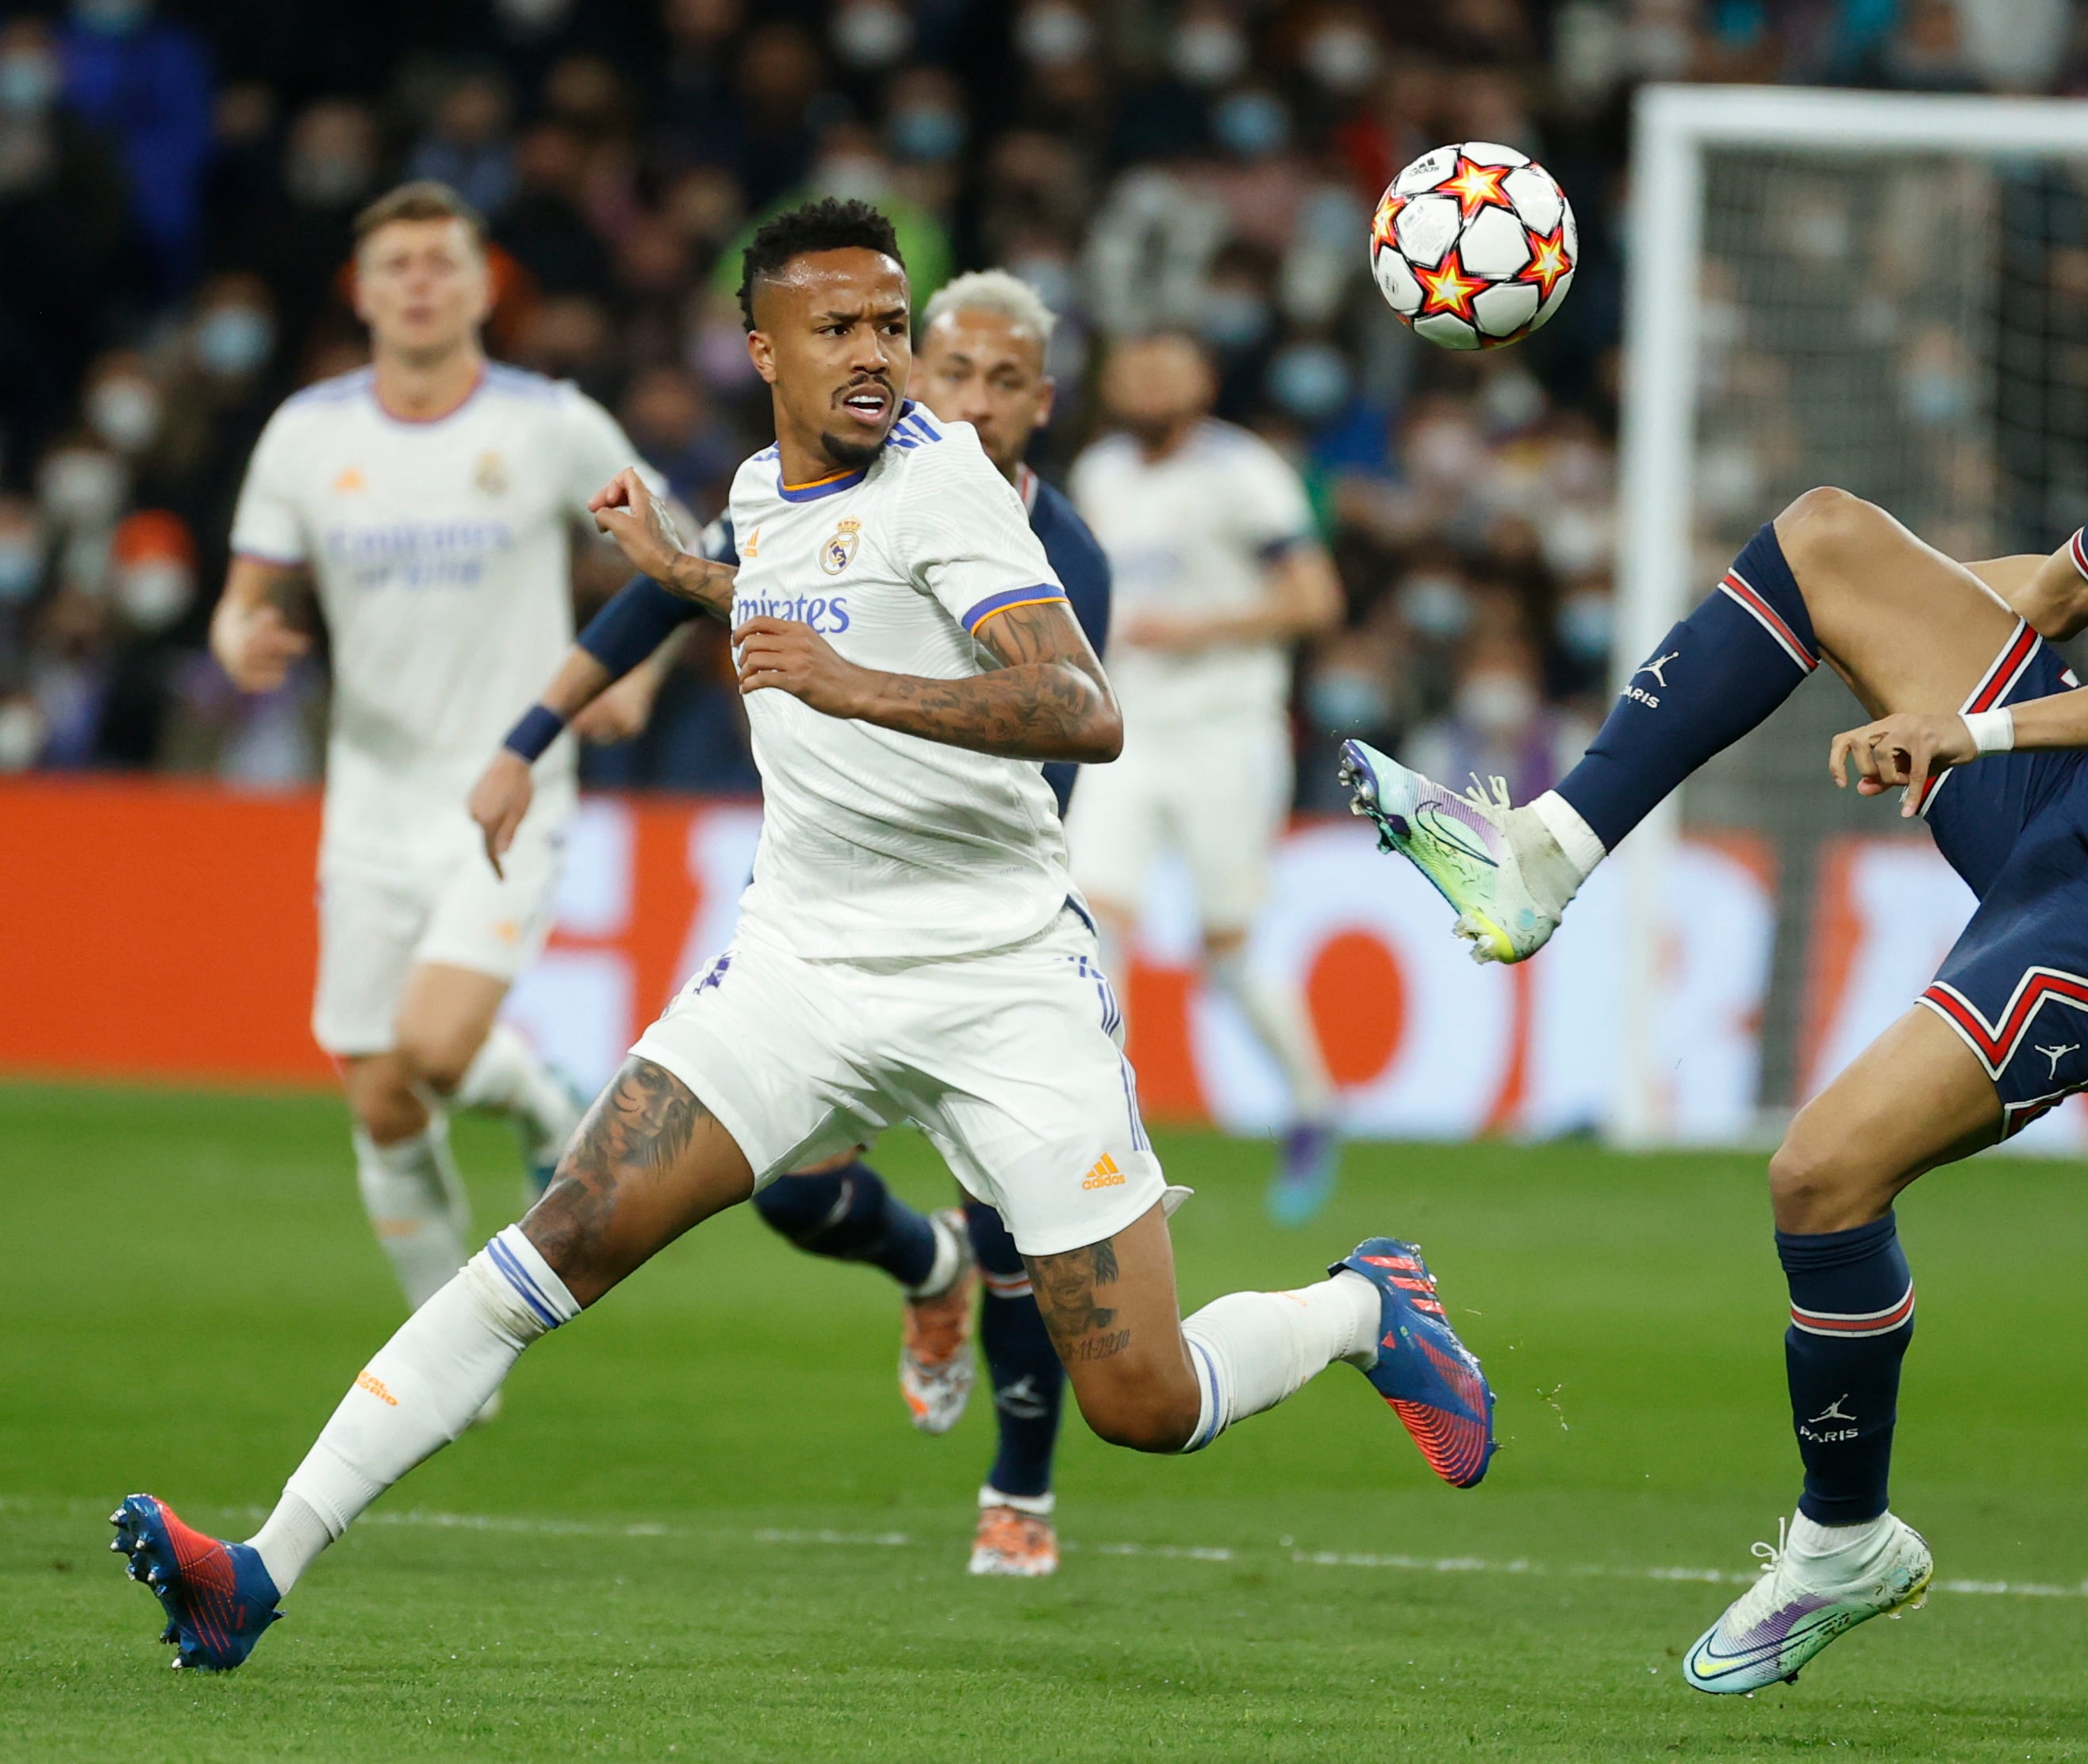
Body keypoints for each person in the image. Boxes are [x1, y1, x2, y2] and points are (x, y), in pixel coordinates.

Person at [116, 199, 1495, 1672]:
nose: (876, 356)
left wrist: (853, 685)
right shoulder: (759, 489)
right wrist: (690, 576)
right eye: (838, 328)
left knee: (1141, 1401)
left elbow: (1081, 707)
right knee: (562, 1235)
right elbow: (792, 578)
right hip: (801, 966)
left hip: (998, 980)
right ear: (757, 344)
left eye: (890, 327)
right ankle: (256, 1567)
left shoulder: (949, 487)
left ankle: (1364, 1304)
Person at [1344, 178, 2088, 1690]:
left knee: (1819, 1172)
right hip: (2082, 822)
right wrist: (1809, 637)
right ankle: (1543, 855)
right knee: (1824, 535)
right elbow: (2030, 591)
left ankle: (1843, 1539)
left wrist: (1970, 727)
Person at [463, 268, 1112, 1578]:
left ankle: (1018, 1491)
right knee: (789, 1189)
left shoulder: (1058, 552)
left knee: (1020, 1233)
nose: (974, 402)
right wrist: (531, 733)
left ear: (1039, 404)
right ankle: (915, 1267)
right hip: (830, 926)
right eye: (953, 372)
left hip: (981, 925)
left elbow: (1045, 748)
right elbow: (679, 588)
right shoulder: (816, 488)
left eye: (1004, 382)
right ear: (913, 370)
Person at [210, 180, 674, 1329]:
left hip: (510, 780)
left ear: (481, 285)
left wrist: (642, 678)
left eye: (440, 261)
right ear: (361, 293)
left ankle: (532, 1104)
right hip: (368, 792)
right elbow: (241, 599)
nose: (419, 282)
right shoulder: (307, 436)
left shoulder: (549, 423)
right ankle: (442, 1335)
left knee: (433, 1041)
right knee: (379, 1096)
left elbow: (680, 554)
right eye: (397, 265)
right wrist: (241, 639)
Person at [1065, 332, 1348, 1225]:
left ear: (1203, 380)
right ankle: (1106, 1135)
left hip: (1225, 732)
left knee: (1226, 955)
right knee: (1087, 920)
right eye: (1132, 364)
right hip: (1125, 732)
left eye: (1167, 365)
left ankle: (1311, 1106)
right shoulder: (1100, 472)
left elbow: (1314, 598)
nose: (1146, 379)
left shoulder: (1243, 471)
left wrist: (1194, 630)